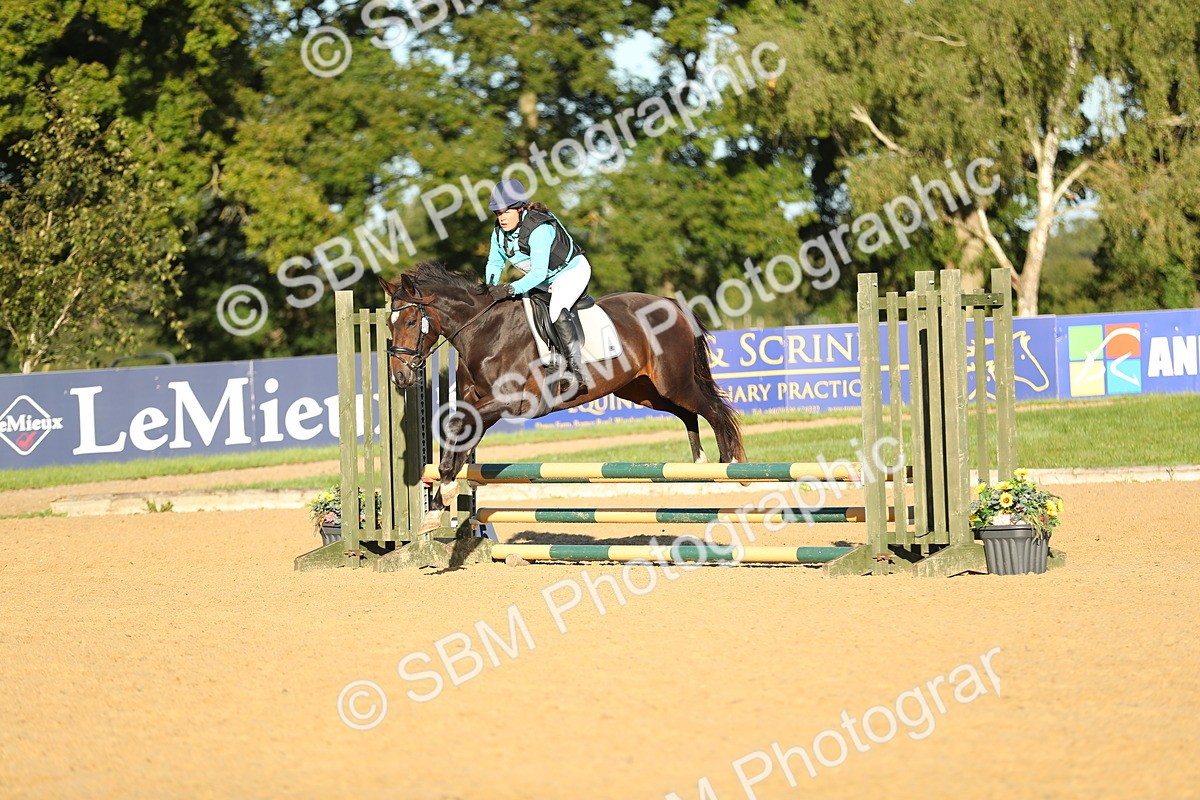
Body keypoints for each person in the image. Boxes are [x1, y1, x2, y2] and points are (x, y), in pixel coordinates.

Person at [484, 178, 592, 393]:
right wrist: (489, 289)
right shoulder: (498, 233)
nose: (502, 218)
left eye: (506, 212)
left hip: (571, 272)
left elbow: (538, 273)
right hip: (543, 280)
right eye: (498, 213)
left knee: (556, 308)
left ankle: (577, 372)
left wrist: (510, 288)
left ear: (520, 208)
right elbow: (495, 262)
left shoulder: (539, 229)